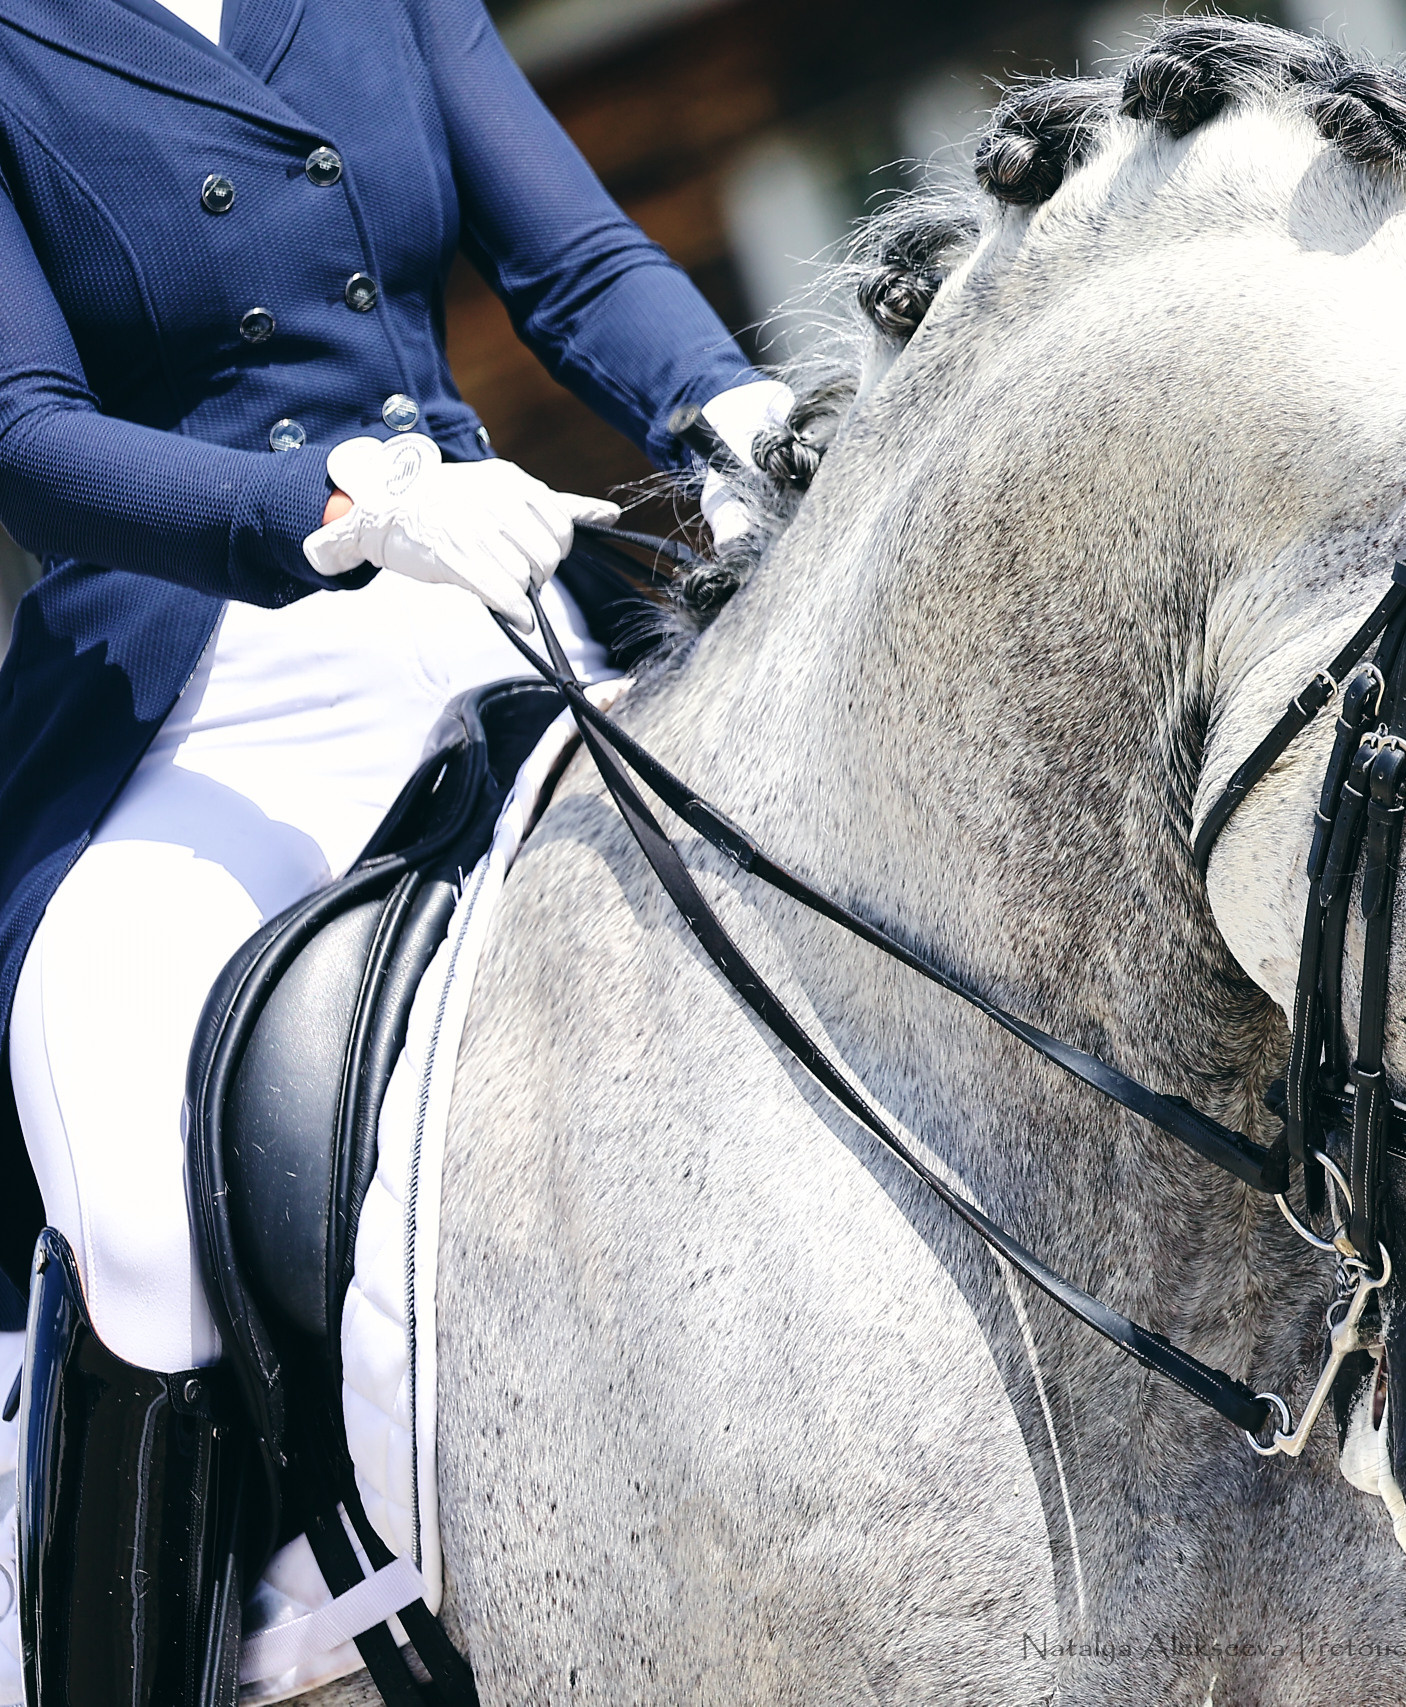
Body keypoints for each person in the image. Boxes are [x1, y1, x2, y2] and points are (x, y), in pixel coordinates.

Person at [0, 0, 790, 1696]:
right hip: (203, 684)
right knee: (134, 1204)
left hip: (487, 609)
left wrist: (734, 418)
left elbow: (573, 260)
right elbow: (23, 430)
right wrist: (341, 510)